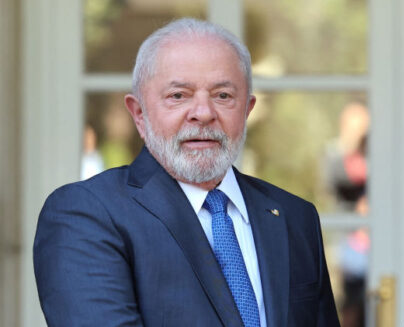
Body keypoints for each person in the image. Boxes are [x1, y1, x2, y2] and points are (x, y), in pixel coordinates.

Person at [34, 18, 340, 327]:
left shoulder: (295, 217)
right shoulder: (86, 214)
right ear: (139, 114)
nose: (203, 113)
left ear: (247, 110)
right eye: (178, 95)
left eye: (223, 96)